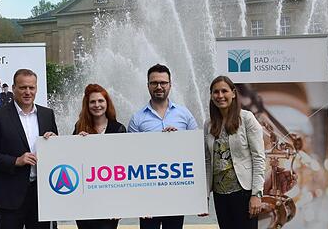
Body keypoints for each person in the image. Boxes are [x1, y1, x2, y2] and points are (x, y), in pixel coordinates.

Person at [0, 68, 58, 229]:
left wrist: (55, 144)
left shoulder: (47, 114)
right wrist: (15, 161)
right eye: (23, 87)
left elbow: (57, 155)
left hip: (42, 195)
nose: (28, 92)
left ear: (36, 88)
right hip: (9, 195)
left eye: (32, 87)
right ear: (14, 88)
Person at [128, 64, 198, 229]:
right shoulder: (137, 119)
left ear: (170, 85)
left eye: (163, 83)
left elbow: (195, 149)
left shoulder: (184, 114)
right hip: (147, 193)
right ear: (148, 86)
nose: (159, 87)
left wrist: (178, 140)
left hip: (176, 192)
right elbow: (131, 157)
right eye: (154, 83)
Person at [204, 76, 265, 229]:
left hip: (243, 193)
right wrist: (204, 196)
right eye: (215, 92)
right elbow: (207, 161)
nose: (220, 96)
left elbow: (258, 158)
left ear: (233, 93)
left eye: (224, 91)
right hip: (220, 195)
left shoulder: (247, 119)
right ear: (211, 96)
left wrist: (256, 194)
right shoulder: (208, 124)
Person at [73, 83, 126, 229]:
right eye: (92, 101)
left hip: (110, 199)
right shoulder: (79, 127)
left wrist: (121, 204)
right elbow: (72, 160)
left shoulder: (118, 129)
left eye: (101, 101)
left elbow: (123, 165)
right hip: (85, 200)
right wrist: (78, 143)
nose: (97, 105)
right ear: (87, 105)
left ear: (107, 103)